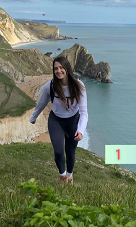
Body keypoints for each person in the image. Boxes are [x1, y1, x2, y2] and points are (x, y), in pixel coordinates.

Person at [30, 56, 88, 185]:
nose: (59, 71)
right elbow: (41, 103)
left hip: (73, 121)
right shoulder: (49, 86)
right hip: (56, 120)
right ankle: (62, 176)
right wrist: (33, 117)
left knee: (70, 152)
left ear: (67, 69)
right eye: (56, 68)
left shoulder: (79, 86)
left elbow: (84, 113)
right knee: (58, 151)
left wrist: (81, 131)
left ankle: (70, 176)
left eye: (61, 67)